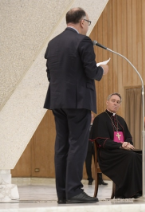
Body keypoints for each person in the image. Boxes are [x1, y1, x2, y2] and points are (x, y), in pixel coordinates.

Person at [44, 7, 109, 204]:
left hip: (57, 100)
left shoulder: (53, 43)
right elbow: (91, 72)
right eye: (88, 23)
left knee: (62, 146)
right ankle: (74, 191)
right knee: (77, 146)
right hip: (78, 101)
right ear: (82, 22)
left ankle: (63, 193)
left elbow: (51, 74)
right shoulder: (83, 41)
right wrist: (102, 70)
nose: (87, 26)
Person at [90, 93, 145, 198]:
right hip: (107, 154)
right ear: (107, 102)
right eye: (113, 101)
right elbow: (102, 141)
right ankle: (131, 192)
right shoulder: (100, 119)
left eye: (118, 102)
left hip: (123, 151)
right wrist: (121, 145)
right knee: (131, 157)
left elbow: (129, 138)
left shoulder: (120, 120)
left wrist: (127, 144)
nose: (115, 104)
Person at [85, 113, 107, 186]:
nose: (91, 118)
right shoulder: (84, 127)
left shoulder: (97, 126)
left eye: (92, 117)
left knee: (98, 163)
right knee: (88, 163)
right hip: (87, 147)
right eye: (90, 117)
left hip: (96, 147)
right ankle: (90, 179)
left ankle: (100, 180)